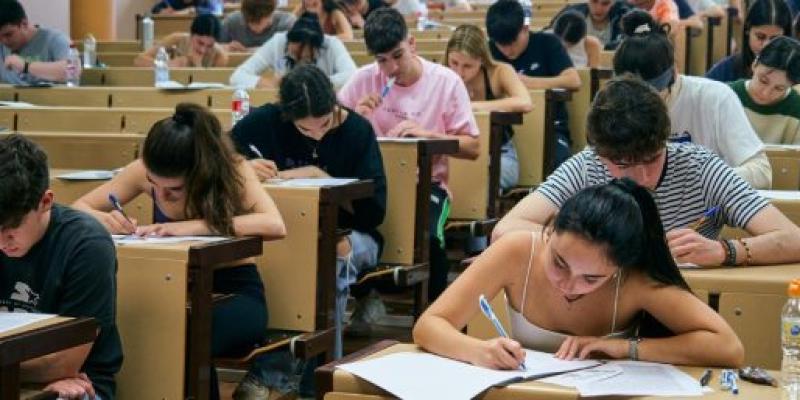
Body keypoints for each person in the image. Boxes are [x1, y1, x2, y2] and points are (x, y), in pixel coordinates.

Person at [72, 103, 287, 400]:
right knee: (134, 328)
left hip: (236, 294)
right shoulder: (145, 170)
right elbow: (79, 209)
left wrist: (193, 226)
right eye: (152, 185)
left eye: (173, 190)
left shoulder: (232, 170)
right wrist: (105, 220)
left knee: (181, 334)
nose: (160, 195)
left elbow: (274, 224)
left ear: (200, 172)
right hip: (171, 293)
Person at [415, 179, 745, 368]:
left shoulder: (633, 280)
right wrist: (479, 351)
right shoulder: (517, 251)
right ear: (550, 229)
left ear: (618, 269)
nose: (568, 285)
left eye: (592, 279)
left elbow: (728, 347)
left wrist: (627, 348)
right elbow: (429, 325)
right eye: (559, 262)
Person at [493, 75, 800, 268]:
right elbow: (505, 230)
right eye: (623, 165)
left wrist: (724, 251)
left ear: (667, 140)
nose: (642, 178)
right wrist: (595, 243)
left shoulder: (702, 168)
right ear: (601, 153)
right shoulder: (587, 166)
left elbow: (792, 238)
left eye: (652, 159)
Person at [233, 63, 386, 358]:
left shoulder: (357, 131)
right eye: (304, 128)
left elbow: (374, 213)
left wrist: (324, 181)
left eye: (325, 124)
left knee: (332, 257)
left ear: (335, 106)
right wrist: (243, 165)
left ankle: (325, 370)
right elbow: (219, 153)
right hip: (288, 234)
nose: (316, 134)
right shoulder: (268, 120)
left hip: (354, 235)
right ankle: (277, 368)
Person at [339, 8, 480, 303]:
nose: (390, 68)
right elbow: (330, 135)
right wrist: (354, 120)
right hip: (372, 185)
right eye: (381, 60)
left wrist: (428, 135)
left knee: (430, 239)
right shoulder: (363, 81)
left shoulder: (446, 82)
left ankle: (438, 314)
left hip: (428, 186)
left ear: (412, 44)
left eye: (397, 55)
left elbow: (472, 147)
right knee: (335, 232)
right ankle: (364, 298)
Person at [0, 134, 123, 400]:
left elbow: (65, 362)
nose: (1, 243)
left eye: (11, 229)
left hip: (78, 383)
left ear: (45, 202)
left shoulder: (86, 244)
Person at [613, 10, 771, 189]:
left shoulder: (715, 98)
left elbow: (762, 172)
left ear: (674, 71)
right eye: (632, 96)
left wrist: (701, 180)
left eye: (653, 94)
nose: (641, 105)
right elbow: (588, 168)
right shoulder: (614, 105)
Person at [486, 0, 580, 169]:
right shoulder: (488, 50)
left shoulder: (547, 43)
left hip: (550, 128)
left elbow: (573, 80)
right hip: (502, 132)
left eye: (512, 43)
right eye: (501, 45)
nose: (507, 51)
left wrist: (527, 83)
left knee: (561, 166)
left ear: (525, 28)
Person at [444, 24, 533, 191]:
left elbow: (525, 102)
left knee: (477, 182)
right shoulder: (440, 75)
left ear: (481, 59)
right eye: (454, 63)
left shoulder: (499, 72)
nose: (459, 72)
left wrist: (473, 107)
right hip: (453, 155)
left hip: (499, 155)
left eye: (468, 66)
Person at [230, 12, 356, 89]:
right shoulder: (279, 42)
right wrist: (263, 83)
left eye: (306, 58)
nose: (298, 61)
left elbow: (352, 74)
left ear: (317, 48)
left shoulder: (331, 44)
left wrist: (316, 84)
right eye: (294, 54)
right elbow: (237, 76)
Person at [729, 36, 800, 144]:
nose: (765, 93)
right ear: (755, 64)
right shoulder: (727, 95)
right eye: (763, 81)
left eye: (779, 88)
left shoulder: (796, 108)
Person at [705, 0, 793, 82]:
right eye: (760, 37)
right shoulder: (727, 70)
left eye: (775, 39)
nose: (766, 45)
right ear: (748, 30)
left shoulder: (795, 69)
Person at [0, 0, 71, 85]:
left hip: (52, 97)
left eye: (8, 34)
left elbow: (72, 71)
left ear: (24, 24)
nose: (3, 41)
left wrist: (26, 66)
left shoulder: (55, 39)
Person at [134, 14, 228, 68]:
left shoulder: (220, 56)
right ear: (191, 35)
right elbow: (139, 60)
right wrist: (167, 65)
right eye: (200, 43)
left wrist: (198, 66)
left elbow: (214, 84)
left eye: (209, 46)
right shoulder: (176, 39)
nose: (202, 50)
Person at [551, 0, 632, 50]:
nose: (598, 8)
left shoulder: (624, 14)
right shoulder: (570, 13)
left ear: (613, 2)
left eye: (605, 3)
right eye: (594, 1)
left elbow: (632, 41)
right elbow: (549, 34)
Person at [220, 0, 296, 51]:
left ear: (271, 14)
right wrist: (225, 47)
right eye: (249, 21)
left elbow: (288, 51)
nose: (253, 27)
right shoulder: (232, 21)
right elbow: (215, 46)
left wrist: (247, 51)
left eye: (258, 22)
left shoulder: (286, 22)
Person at [151, 0, 223, 15]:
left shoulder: (205, 1)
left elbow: (217, 12)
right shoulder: (172, 1)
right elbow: (155, 9)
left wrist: (193, 10)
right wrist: (161, 11)